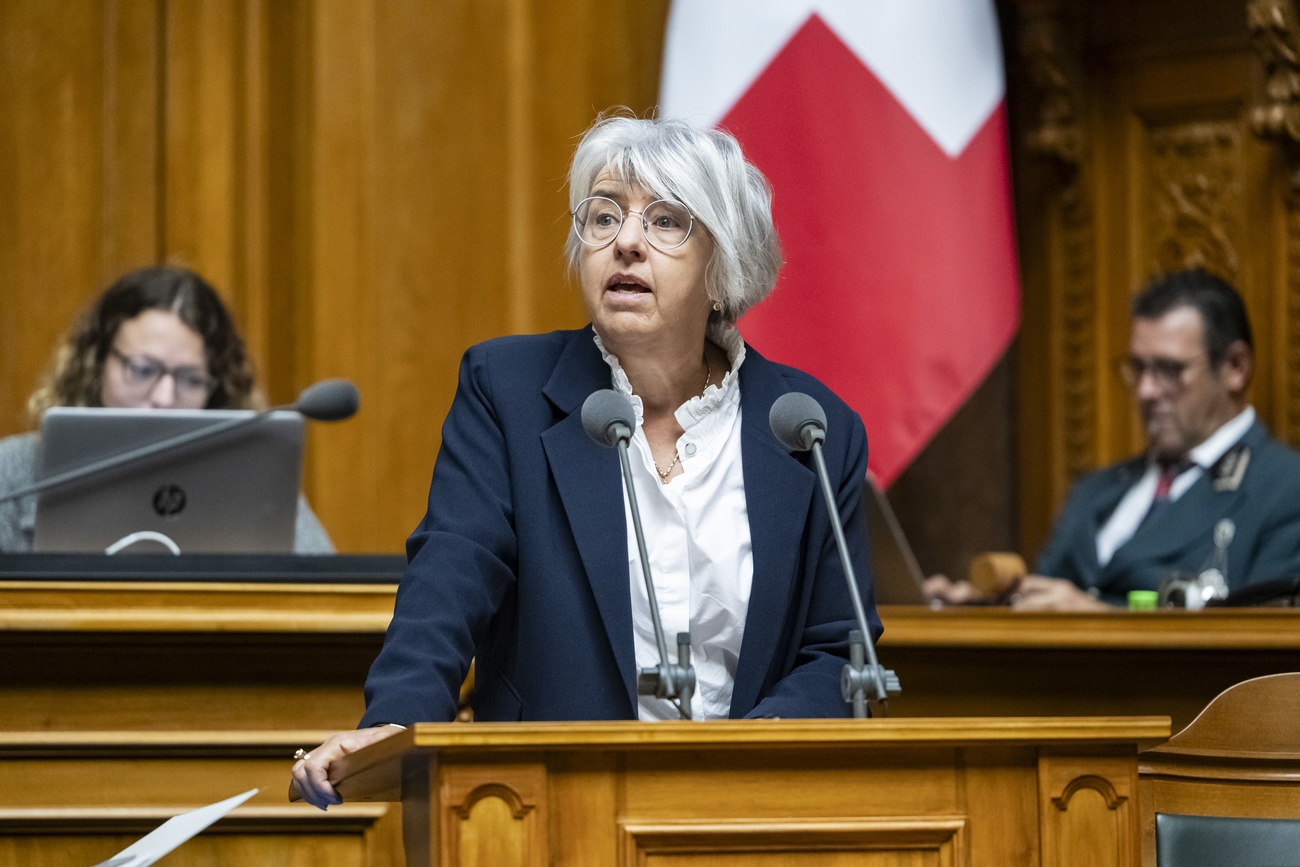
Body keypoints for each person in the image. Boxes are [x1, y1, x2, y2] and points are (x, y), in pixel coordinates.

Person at [292, 114, 879, 808]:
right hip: (548, 805)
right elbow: (452, 571)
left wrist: (735, 770)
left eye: (666, 222)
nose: (625, 242)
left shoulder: (811, 427)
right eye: (603, 217)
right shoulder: (508, 390)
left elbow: (838, 651)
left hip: (747, 808)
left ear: (723, 265)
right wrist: (394, 719)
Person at [926, 268, 1300, 610]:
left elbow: (1264, 656)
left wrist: (1098, 618)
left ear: (1235, 367)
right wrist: (982, 607)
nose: (1146, 390)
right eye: (1138, 368)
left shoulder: (1284, 489)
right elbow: (1044, 606)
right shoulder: (1097, 491)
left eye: (1169, 370)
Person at [0, 265, 334, 554]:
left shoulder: (252, 476)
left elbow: (323, 595)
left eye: (190, 379)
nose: (163, 397)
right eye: (143, 370)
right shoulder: (15, 473)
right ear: (96, 364)